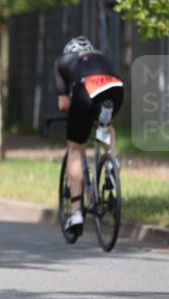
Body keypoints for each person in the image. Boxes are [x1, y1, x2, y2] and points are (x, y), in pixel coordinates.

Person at [53, 36, 124, 235]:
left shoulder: (62, 61)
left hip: (87, 90)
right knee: (106, 125)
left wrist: (76, 112)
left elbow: (64, 104)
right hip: (115, 88)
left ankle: (76, 212)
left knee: (75, 148)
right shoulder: (101, 56)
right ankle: (111, 163)